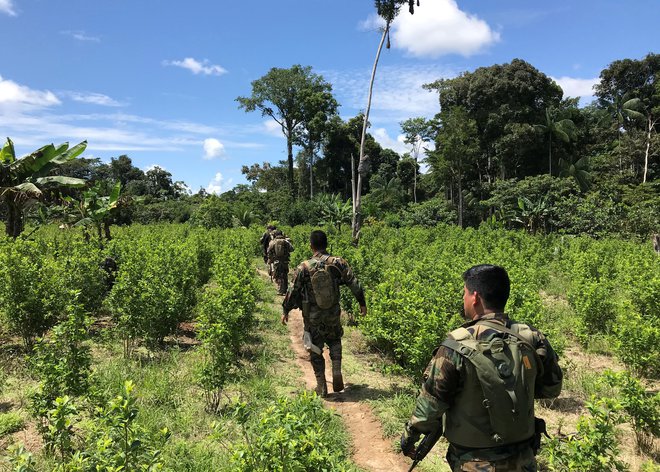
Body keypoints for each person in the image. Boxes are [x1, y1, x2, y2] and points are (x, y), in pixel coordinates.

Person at [400, 264, 563, 471]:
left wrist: (409, 436)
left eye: (464, 293)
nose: (463, 299)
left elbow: (430, 406)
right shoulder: (531, 337)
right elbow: (551, 389)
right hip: (524, 459)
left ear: (475, 297)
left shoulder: (455, 344)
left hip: (474, 463)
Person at [282, 230, 367, 397]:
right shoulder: (338, 262)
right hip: (333, 313)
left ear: (311, 246)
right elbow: (354, 283)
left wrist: (286, 309)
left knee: (315, 348)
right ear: (326, 244)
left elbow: (293, 291)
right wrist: (362, 303)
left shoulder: (304, 267)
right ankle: (336, 369)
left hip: (312, 317)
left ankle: (321, 386)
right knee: (335, 340)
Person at [267, 230, 294, 295]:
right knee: (285, 274)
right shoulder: (285, 242)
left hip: (276, 261)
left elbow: (269, 251)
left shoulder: (272, 242)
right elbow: (292, 249)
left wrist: (270, 259)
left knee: (277, 275)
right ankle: (285, 290)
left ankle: (280, 290)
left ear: (275, 235)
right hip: (285, 261)